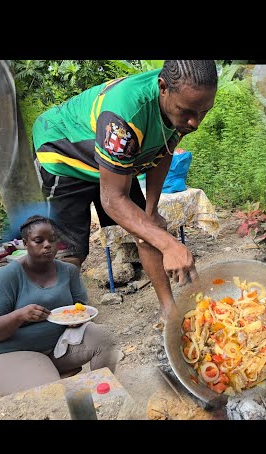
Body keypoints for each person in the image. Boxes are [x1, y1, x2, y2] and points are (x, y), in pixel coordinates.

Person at [32, 60, 218, 320]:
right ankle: (53, 324)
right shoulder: (124, 116)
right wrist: (170, 245)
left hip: (114, 161)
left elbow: (163, 150)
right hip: (64, 153)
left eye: (203, 111)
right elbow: (112, 199)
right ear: (162, 88)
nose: (195, 122)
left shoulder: (185, 98)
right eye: (188, 112)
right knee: (70, 251)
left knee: (148, 228)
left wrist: (151, 211)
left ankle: (169, 313)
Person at [0, 215, 118, 396]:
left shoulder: (69, 271)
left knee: (105, 337)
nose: (47, 245)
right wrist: (19, 316)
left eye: (52, 239)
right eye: (38, 240)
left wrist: (77, 320)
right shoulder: (8, 276)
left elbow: (82, 309)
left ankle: (101, 396)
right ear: (25, 243)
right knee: (52, 395)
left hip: (58, 347)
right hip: (9, 354)